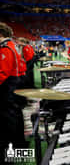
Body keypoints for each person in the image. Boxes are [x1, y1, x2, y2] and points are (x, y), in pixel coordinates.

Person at [0, 23, 28, 163]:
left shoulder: (6, 48)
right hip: (15, 82)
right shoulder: (12, 45)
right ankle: (19, 147)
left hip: (9, 86)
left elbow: (3, 72)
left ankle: (12, 151)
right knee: (16, 115)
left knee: (9, 119)